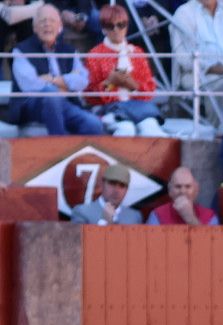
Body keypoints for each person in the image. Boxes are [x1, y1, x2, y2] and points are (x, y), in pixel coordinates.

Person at [8, 5, 105, 135]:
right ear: (34, 28)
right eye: (42, 21)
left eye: (52, 20)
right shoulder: (21, 50)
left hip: (64, 104)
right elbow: (30, 86)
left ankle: (79, 154)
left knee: (94, 124)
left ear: (59, 27)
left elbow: (83, 80)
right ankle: (60, 144)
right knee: (50, 93)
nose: (47, 24)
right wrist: (64, 86)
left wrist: (53, 80)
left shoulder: (69, 50)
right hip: (31, 106)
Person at [84, 4, 162, 135]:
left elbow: (149, 91)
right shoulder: (94, 55)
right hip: (109, 109)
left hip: (137, 107)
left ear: (126, 26)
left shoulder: (137, 53)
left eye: (121, 25)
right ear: (104, 28)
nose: (116, 30)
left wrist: (131, 84)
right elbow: (90, 97)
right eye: (110, 26)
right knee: (126, 129)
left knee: (151, 128)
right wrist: (110, 82)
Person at [171, 0, 223, 115]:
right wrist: (212, 68)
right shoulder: (183, 13)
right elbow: (182, 58)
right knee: (220, 84)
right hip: (195, 74)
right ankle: (220, 129)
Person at [70, 161, 142, 224]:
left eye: (122, 186)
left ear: (127, 190)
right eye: (112, 183)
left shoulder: (134, 217)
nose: (116, 190)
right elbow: (79, 239)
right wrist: (105, 222)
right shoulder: (82, 212)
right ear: (102, 184)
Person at [147, 166, 222, 224]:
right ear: (170, 191)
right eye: (178, 186)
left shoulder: (209, 216)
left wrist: (190, 218)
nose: (183, 191)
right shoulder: (157, 215)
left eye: (188, 186)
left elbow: (210, 243)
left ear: (196, 190)